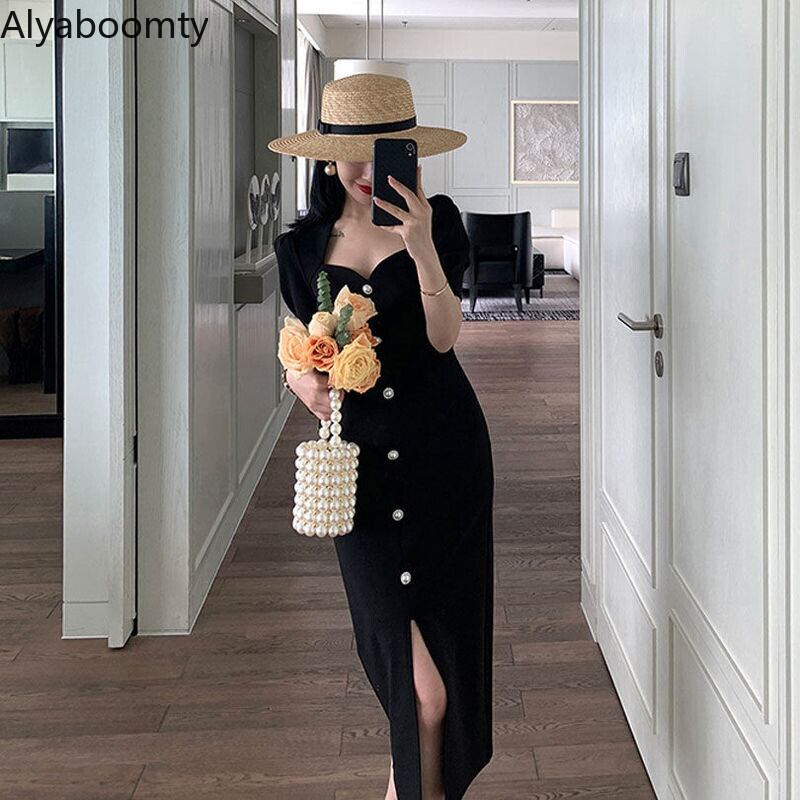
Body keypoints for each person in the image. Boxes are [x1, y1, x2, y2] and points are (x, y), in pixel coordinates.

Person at [268, 72, 494, 800]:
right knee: (421, 690)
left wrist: (420, 245)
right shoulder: (300, 249)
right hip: (357, 473)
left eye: (385, 151)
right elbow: (307, 352)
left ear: (411, 153)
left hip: (445, 459)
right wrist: (297, 379)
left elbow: (444, 337)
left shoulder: (440, 222)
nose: (367, 170)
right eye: (352, 154)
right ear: (326, 157)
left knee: (443, 675)